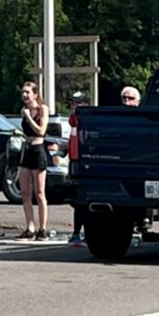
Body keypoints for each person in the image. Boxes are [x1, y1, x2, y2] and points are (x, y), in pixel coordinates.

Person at [17, 81, 50, 240]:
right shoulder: (24, 110)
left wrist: (29, 118)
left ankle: (42, 229)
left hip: (38, 150)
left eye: (27, 92)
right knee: (25, 192)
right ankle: (30, 226)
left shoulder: (42, 109)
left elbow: (41, 131)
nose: (24, 95)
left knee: (39, 193)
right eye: (23, 92)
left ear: (35, 94)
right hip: (27, 150)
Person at [67, 91, 89, 246]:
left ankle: (85, 233)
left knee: (84, 200)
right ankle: (76, 233)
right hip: (74, 160)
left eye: (77, 102)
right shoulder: (74, 119)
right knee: (77, 200)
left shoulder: (87, 119)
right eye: (73, 103)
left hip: (85, 162)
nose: (74, 106)